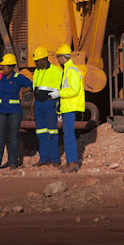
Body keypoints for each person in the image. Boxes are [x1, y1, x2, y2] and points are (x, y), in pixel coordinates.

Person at [0, 53, 31, 170]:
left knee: (13, 137)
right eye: (2, 66)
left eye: (5, 66)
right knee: (0, 137)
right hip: (0, 111)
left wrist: (22, 92)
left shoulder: (19, 78)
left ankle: (12, 163)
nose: (2, 68)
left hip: (14, 111)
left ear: (11, 67)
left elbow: (30, 85)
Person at [51, 43, 85, 173]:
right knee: (67, 135)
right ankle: (70, 161)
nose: (58, 60)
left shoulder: (71, 70)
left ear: (62, 57)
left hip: (70, 107)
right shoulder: (66, 70)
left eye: (58, 57)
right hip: (66, 108)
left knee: (69, 135)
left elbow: (74, 90)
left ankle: (73, 162)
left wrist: (59, 93)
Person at [31, 46, 62, 167]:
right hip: (38, 105)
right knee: (41, 133)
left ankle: (55, 158)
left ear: (44, 59)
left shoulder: (55, 71)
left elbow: (61, 90)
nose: (36, 63)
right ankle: (44, 159)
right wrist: (32, 107)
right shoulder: (37, 71)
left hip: (50, 104)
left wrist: (59, 108)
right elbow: (35, 90)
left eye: (37, 61)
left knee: (52, 132)